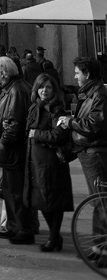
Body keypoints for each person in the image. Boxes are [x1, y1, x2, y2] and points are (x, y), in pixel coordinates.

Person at [56, 55, 107, 254]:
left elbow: (95, 123)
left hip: (95, 152)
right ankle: (98, 247)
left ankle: (102, 248)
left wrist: (70, 122)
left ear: (87, 74)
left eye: (77, 73)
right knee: (99, 200)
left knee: (101, 200)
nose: (75, 76)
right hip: (90, 151)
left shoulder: (99, 94)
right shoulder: (92, 93)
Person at [0, 55, 34, 244]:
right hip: (10, 149)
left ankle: (22, 228)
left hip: (14, 150)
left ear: (4, 74)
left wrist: (5, 142)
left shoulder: (16, 91)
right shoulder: (11, 89)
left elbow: (14, 122)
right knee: (10, 191)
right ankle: (15, 226)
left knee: (15, 191)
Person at [25, 72, 73, 253]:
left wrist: (36, 134)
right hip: (35, 161)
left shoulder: (57, 110)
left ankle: (53, 238)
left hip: (52, 162)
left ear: (54, 90)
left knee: (53, 201)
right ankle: (55, 236)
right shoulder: (34, 108)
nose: (44, 90)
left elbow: (59, 135)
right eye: (41, 87)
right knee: (40, 201)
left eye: (49, 87)